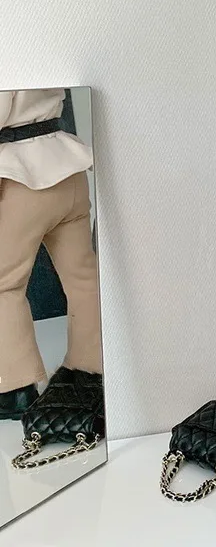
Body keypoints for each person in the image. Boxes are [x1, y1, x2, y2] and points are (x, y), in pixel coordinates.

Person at [0, 88, 102, 420]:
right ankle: (90, 367)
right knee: (83, 277)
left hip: (20, 178)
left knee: (5, 285)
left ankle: (14, 388)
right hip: (66, 165)